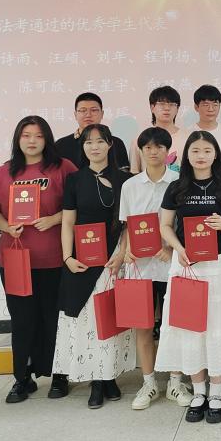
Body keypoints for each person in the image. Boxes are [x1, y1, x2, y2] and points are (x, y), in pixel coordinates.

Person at [155, 131, 221, 424]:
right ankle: (198, 392)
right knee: (190, 327)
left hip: (219, 265)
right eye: (195, 150)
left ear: (215, 154)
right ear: (187, 154)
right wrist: (178, 248)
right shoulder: (176, 186)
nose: (201, 156)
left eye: (207, 150)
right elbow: (165, 225)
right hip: (187, 264)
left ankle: (216, 393)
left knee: (217, 326)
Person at [0, 116, 77, 403]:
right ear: (18, 139)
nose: (32, 141)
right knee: (23, 319)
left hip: (55, 259)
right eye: (26, 135)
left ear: (47, 139)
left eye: (38, 135)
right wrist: (6, 226)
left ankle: (59, 374)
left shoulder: (63, 168)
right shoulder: (3, 172)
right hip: (15, 260)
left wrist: (54, 219)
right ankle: (22, 378)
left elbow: (78, 204)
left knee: (54, 319)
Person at [53, 124, 135, 408]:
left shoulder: (126, 180)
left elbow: (130, 223)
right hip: (83, 260)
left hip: (115, 259)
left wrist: (122, 252)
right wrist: (67, 257)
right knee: (89, 320)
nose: (95, 147)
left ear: (110, 144)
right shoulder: (74, 180)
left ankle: (110, 375)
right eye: (89, 143)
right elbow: (67, 222)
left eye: (100, 141)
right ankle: (96, 380)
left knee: (112, 317)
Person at [118, 126, 191, 410]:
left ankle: (175, 382)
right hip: (140, 269)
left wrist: (171, 248)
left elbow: (183, 225)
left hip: (171, 266)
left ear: (168, 151)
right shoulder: (130, 186)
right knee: (143, 327)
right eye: (147, 147)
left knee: (176, 325)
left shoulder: (179, 182)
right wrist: (125, 251)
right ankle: (148, 383)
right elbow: (127, 226)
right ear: (140, 151)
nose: (153, 151)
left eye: (159, 147)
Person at [172, 85, 221, 187]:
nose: (211, 109)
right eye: (205, 105)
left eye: (215, 104)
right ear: (196, 107)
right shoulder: (186, 133)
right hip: (193, 189)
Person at [55, 92, 130, 172]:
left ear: (102, 114)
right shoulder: (61, 144)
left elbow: (124, 174)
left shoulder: (116, 142)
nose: (88, 115)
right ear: (75, 115)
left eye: (94, 110)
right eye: (83, 110)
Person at [129, 86, 183, 175]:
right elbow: (134, 173)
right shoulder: (139, 140)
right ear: (152, 107)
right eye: (162, 104)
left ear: (177, 109)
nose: (167, 108)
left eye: (172, 104)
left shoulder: (189, 138)